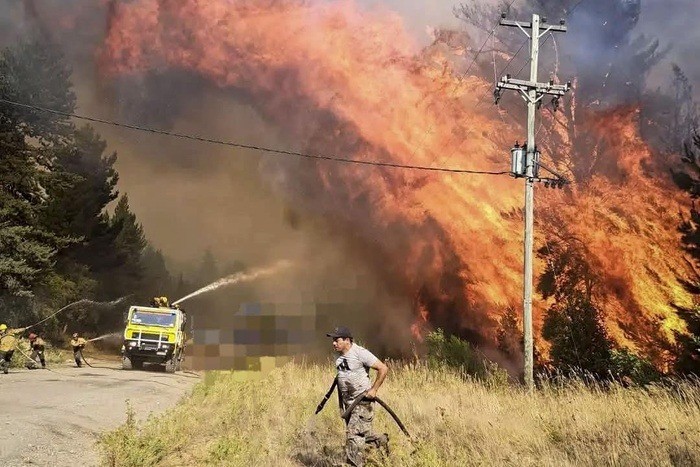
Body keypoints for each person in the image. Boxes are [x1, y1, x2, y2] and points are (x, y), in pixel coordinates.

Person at [326, 326, 389, 467]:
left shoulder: (360, 353)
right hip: (349, 404)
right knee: (363, 436)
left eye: (337, 340)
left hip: (362, 403)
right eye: (333, 340)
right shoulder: (338, 356)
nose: (333, 343)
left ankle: (354, 464)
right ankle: (381, 441)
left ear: (347, 340)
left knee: (353, 438)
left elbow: (383, 368)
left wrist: (374, 390)